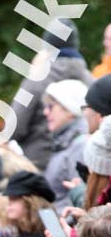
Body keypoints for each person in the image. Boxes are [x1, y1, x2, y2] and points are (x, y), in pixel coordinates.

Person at [11, 19, 93, 170]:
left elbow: (14, 127)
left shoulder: (35, 80)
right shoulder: (92, 82)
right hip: (82, 164)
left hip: (37, 164)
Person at [42, 80, 88, 212]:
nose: (45, 112)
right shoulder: (64, 141)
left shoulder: (80, 145)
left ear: (69, 109)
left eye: (50, 106)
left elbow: (81, 200)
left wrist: (62, 221)